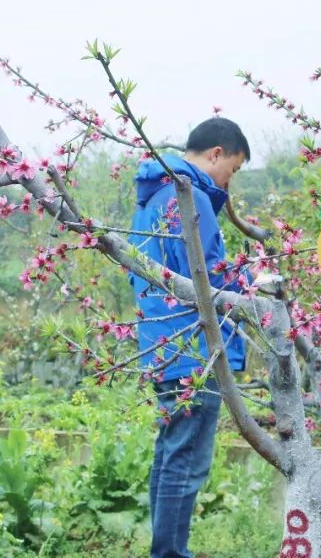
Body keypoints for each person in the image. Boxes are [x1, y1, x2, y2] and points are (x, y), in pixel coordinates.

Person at [129, 117, 251, 558]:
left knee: (169, 456)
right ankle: (170, 555)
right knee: (187, 462)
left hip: (162, 343)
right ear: (216, 153)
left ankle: (164, 550)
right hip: (193, 349)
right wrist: (254, 281)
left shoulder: (153, 195)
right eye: (232, 169)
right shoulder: (191, 195)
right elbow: (209, 278)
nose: (229, 181)